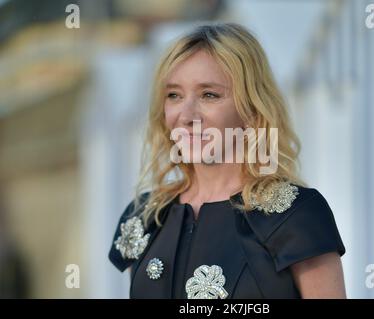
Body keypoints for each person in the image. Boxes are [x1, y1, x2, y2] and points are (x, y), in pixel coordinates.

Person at [108, 23, 346, 299]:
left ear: (251, 109)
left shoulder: (296, 215)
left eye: (209, 95)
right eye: (174, 95)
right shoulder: (145, 216)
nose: (186, 116)